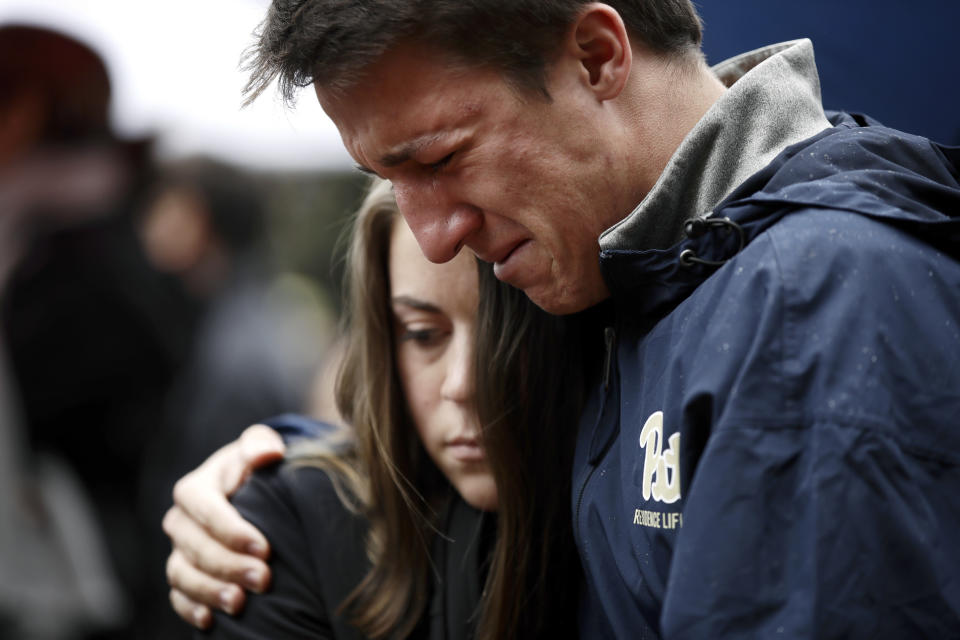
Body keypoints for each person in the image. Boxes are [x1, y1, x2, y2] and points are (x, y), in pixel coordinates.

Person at [169, 1, 960, 637]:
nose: (435, 240)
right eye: (389, 177)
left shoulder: (811, 301)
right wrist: (282, 476)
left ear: (597, 55)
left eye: (441, 160)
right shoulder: (655, 274)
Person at [167, 178, 584, 638]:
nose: (463, 383)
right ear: (382, 342)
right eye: (423, 334)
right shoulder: (282, 528)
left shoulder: (645, 501)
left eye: (508, 332)